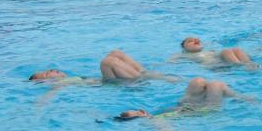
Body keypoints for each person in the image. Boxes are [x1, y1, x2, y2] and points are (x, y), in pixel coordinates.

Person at [115, 77, 249, 121]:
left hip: (186, 106)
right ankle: (241, 98)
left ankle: (236, 97)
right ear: (142, 113)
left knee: (197, 81)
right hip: (206, 110)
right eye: (137, 113)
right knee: (216, 84)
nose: (140, 111)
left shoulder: (155, 115)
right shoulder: (155, 121)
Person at [29, 50, 180, 83]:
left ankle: (144, 72)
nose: (50, 70)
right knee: (107, 62)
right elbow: (49, 96)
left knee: (116, 53)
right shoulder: (58, 84)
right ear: (45, 82)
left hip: (106, 81)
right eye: (46, 74)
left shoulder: (72, 78)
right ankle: (142, 77)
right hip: (109, 85)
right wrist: (40, 105)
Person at [172, 36, 258, 70]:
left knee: (237, 49)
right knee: (226, 51)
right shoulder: (184, 55)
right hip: (214, 66)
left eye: (197, 40)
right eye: (190, 41)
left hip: (224, 62)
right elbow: (171, 61)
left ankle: (251, 64)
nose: (195, 40)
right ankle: (243, 66)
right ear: (184, 47)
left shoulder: (208, 51)